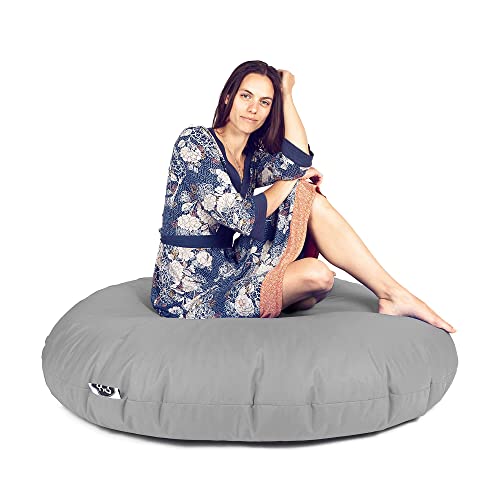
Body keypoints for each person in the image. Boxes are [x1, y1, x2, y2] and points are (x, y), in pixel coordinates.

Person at [151, 60, 456, 333]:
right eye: (246, 96)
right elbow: (243, 217)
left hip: (230, 265)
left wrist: (286, 94)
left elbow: (297, 160)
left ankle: (391, 293)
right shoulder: (194, 142)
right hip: (188, 292)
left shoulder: (250, 156)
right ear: (228, 97)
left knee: (308, 199)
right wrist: (289, 181)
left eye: (265, 102)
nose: (253, 109)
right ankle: (315, 295)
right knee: (318, 276)